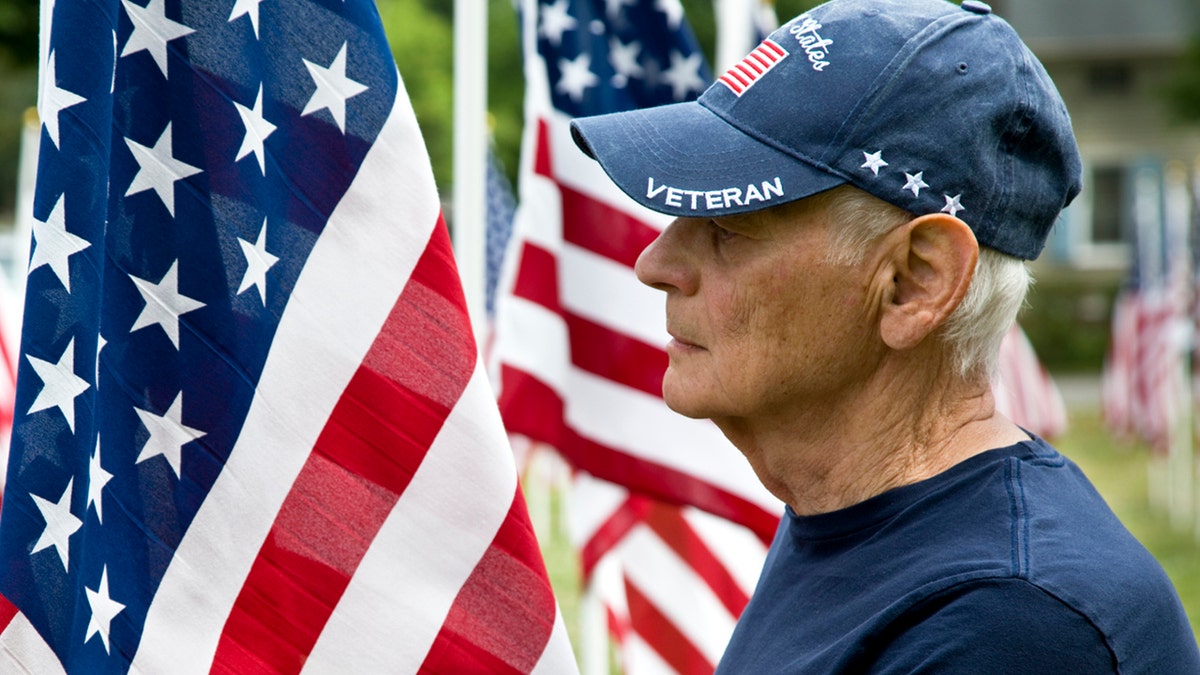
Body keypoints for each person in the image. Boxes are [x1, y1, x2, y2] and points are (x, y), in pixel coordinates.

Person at [568, 0, 1200, 671]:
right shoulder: (854, 511)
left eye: (729, 227)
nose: (654, 264)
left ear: (914, 281)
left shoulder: (1010, 625)